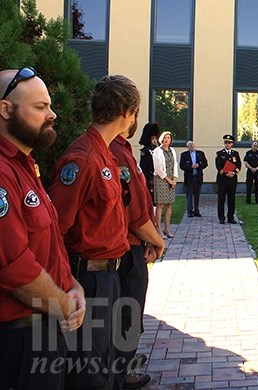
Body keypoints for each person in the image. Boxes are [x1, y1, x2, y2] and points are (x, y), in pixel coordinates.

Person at [49, 74, 139, 389]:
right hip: (88, 278)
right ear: (127, 112)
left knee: (110, 364)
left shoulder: (104, 153)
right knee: (89, 372)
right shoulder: (83, 157)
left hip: (110, 276)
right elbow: (53, 229)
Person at [0, 67, 85, 390]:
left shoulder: (25, 166)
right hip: (19, 338)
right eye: (39, 107)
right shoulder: (3, 172)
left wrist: (72, 284)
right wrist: (65, 303)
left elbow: (46, 247)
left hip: (44, 325)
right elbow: (14, 268)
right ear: (6, 110)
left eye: (49, 106)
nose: (52, 115)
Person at [109, 111, 166, 389]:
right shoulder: (115, 151)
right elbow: (133, 211)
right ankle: (122, 370)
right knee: (128, 314)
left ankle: (123, 362)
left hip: (131, 245)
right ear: (127, 115)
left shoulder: (122, 149)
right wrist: (157, 240)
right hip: (126, 248)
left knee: (129, 311)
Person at [152, 131, 178, 238]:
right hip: (161, 179)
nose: (167, 140)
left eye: (169, 138)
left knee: (169, 204)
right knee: (160, 204)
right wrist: (168, 180)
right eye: (165, 138)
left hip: (172, 179)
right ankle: (158, 228)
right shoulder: (157, 151)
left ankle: (167, 228)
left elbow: (175, 164)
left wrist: (175, 179)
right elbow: (158, 168)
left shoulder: (172, 150)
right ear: (161, 139)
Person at [215, 134, 242, 224]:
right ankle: (221, 218)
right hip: (223, 180)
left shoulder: (235, 154)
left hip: (232, 180)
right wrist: (226, 173)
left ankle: (231, 217)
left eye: (229, 143)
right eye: (226, 142)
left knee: (231, 199)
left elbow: (239, 166)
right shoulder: (220, 154)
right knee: (221, 199)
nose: (227, 144)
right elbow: (218, 166)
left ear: (232, 144)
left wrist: (233, 173)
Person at [180, 140, 208, 217]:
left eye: (193, 145)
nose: (192, 147)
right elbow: (182, 166)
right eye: (190, 146)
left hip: (198, 177)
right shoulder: (184, 155)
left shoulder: (200, 153)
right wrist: (190, 167)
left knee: (197, 195)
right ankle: (189, 211)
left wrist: (199, 165)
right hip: (189, 178)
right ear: (187, 147)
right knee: (189, 195)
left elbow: (205, 163)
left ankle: (196, 210)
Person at [138, 122, 159, 204]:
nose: (155, 140)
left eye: (156, 138)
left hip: (157, 177)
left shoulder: (158, 150)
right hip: (149, 177)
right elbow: (143, 167)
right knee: (151, 201)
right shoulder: (146, 151)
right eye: (153, 138)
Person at [243, 140, 258, 204]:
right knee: (249, 186)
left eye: (256, 145)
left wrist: (257, 168)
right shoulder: (248, 153)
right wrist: (251, 168)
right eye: (254, 145)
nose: (255, 146)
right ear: (251, 145)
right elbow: (245, 162)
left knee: (257, 186)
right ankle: (248, 201)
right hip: (250, 171)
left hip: (257, 172)